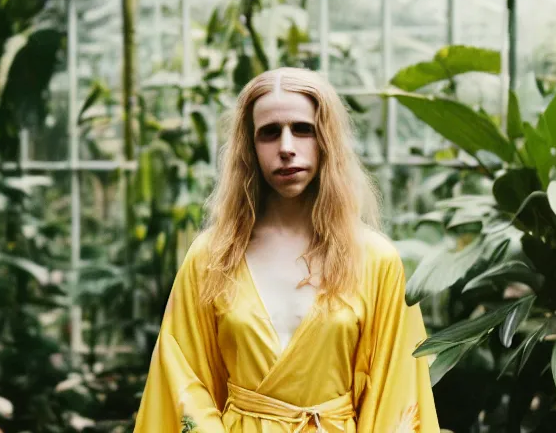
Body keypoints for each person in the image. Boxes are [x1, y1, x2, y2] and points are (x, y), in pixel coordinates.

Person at [132, 67, 439, 433]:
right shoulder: (212, 257)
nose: (286, 148)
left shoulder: (376, 260)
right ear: (250, 146)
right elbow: (181, 378)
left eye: (303, 129)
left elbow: (396, 391)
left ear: (327, 138)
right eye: (269, 133)